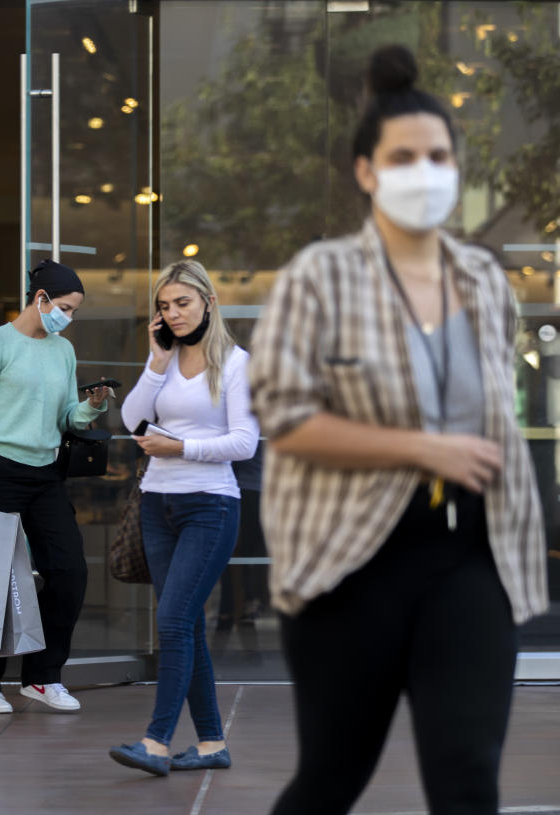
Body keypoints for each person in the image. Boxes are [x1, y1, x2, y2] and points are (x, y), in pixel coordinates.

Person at [249, 46, 548, 815]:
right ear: (365, 170)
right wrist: (420, 447)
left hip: (471, 559)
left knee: (466, 774)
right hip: (352, 560)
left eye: (439, 155)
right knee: (330, 777)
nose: (426, 171)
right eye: (404, 156)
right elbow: (281, 416)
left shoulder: (481, 277)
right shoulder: (319, 276)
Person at [109, 259, 258, 776]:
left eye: (182, 303)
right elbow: (130, 421)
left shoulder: (237, 363)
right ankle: (213, 744)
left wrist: (179, 446)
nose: (172, 314)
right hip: (156, 504)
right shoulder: (165, 361)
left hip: (210, 506)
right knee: (187, 626)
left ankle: (156, 742)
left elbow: (244, 442)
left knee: (172, 621)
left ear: (209, 303)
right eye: (164, 306)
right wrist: (154, 363)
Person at [0, 259, 109, 714]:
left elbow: (66, 418)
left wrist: (91, 405)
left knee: (69, 572)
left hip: (46, 473)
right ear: (39, 299)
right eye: (64, 307)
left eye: (73, 311)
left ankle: (42, 677)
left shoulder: (62, 349)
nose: (68, 317)